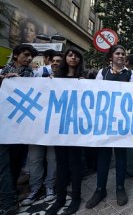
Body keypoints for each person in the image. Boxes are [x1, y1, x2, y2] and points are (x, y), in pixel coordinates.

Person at [85, 45, 133, 209]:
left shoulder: (131, 74)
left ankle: (120, 187)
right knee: (103, 156)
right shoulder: (102, 73)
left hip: (122, 122)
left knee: (121, 156)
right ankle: (100, 189)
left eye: (122, 53)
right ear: (111, 57)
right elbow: (97, 93)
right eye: (117, 53)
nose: (120, 55)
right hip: (104, 122)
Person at [46, 48, 85, 215]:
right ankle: (59, 198)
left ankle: (75, 198)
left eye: (76, 56)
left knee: (75, 165)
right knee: (61, 165)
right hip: (59, 129)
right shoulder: (54, 79)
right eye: (70, 55)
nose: (73, 57)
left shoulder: (85, 78)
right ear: (65, 58)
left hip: (76, 130)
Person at [0, 44, 38, 215]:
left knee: (15, 164)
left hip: (21, 129)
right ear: (15, 55)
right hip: (3, 127)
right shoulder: (3, 73)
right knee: (3, 165)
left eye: (31, 56)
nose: (29, 59)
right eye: (26, 55)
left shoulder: (32, 75)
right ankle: (8, 202)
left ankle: (11, 193)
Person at [20, 53, 61, 207]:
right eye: (54, 61)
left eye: (59, 61)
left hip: (53, 128)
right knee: (35, 159)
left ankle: (49, 187)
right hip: (36, 127)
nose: (56, 63)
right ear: (49, 61)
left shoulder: (65, 78)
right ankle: (35, 189)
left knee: (52, 159)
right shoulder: (38, 73)